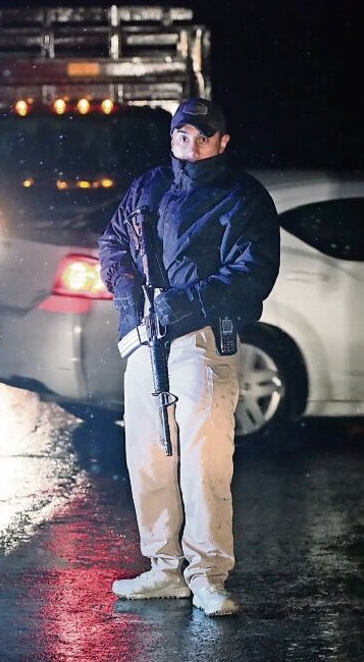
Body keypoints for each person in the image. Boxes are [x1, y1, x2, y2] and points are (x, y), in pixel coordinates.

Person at [97, 98, 280, 616]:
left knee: (204, 463)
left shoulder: (244, 198)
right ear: (171, 138)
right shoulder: (148, 187)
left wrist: (181, 303)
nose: (191, 146)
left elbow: (252, 274)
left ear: (223, 141)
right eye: (182, 136)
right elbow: (112, 241)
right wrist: (126, 284)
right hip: (144, 341)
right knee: (149, 458)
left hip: (201, 340)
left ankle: (208, 575)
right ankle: (164, 569)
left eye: (202, 137)